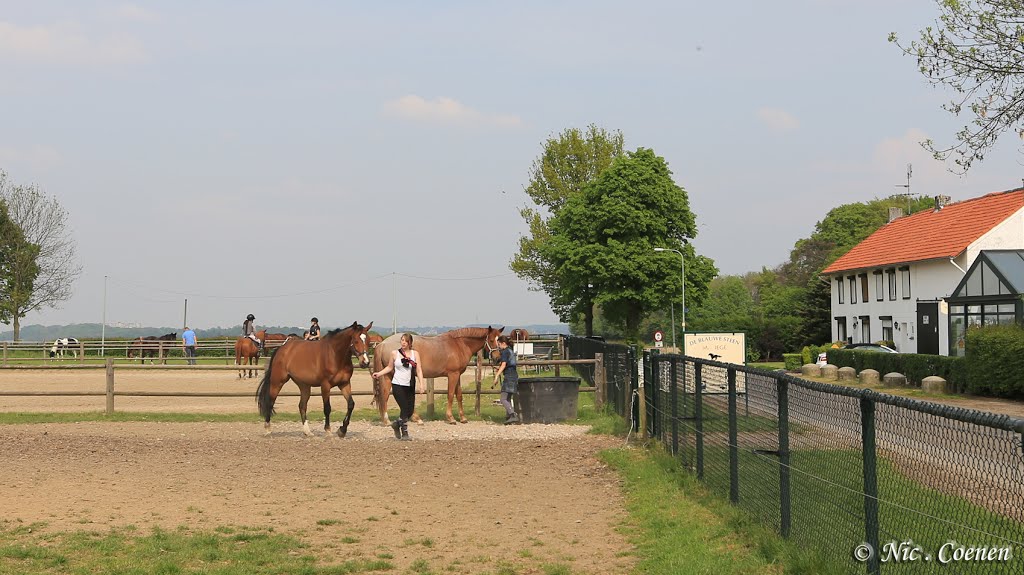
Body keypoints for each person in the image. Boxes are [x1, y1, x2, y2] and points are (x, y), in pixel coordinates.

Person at [371, 333, 424, 440]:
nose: (403, 342)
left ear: (410, 343)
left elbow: (419, 370)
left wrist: (421, 384)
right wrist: (379, 373)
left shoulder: (415, 354)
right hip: (398, 384)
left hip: (410, 385)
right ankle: (405, 433)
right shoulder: (394, 353)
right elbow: (389, 367)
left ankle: (396, 424)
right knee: (404, 409)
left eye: (405, 341)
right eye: (402, 340)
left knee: (409, 411)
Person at [493, 335, 520, 424]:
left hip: (509, 376)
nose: (498, 347)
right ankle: (509, 417)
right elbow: (508, 365)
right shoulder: (510, 351)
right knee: (508, 398)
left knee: (503, 399)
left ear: (503, 343)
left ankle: (512, 415)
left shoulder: (505, 352)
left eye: (499, 344)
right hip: (513, 375)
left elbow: (504, 364)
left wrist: (497, 375)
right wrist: (499, 369)